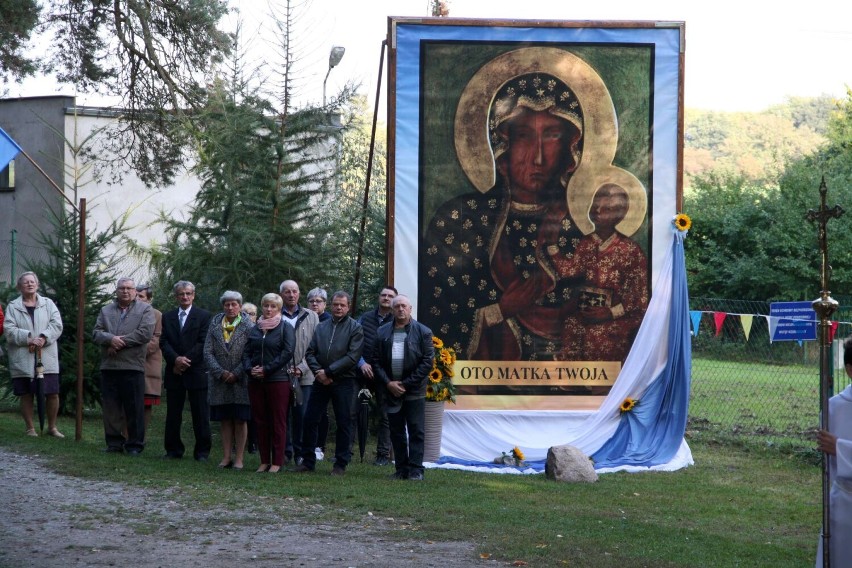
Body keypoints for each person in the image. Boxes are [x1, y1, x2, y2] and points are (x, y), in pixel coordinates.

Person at [421, 72, 586, 361]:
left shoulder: (580, 225)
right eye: (524, 136)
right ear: (500, 145)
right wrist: (498, 310)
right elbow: (438, 311)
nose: (537, 157)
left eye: (552, 136)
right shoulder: (460, 220)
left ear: (571, 148)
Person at [552, 183, 649, 362]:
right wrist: (552, 248)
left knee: (599, 335)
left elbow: (639, 298)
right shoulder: (586, 243)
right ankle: (573, 384)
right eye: (595, 204)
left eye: (607, 208)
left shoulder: (630, 251)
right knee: (572, 325)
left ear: (619, 215)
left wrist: (610, 313)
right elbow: (570, 270)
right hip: (586, 312)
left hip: (617, 317)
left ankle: (602, 388)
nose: (598, 210)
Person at [294, 291, 363, 476]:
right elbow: (310, 352)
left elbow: (353, 356)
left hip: (343, 381)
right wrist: (319, 372)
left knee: (343, 422)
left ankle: (340, 464)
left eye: (342, 305)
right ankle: (308, 461)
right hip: (320, 380)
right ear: (331, 306)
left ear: (348, 307)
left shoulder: (355, 328)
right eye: (336, 304)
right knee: (310, 419)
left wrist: (330, 371)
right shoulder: (322, 326)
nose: (338, 308)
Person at [372, 294, 434, 481]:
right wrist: (389, 384)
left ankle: (416, 470)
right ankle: (401, 470)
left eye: (403, 306)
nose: (400, 309)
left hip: (414, 390)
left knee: (416, 430)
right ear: (392, 309)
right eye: (397, 306)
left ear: (410, 309)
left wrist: (406, 384)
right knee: (396, 431)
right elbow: (375, 361)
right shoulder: (382, 332)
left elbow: (427, 362)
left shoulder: (423, 332)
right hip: (390, 390)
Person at [92, 277, 155, 454]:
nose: (125, 291)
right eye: (122, 288)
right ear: (116, 291)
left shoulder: (145, 309)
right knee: (111, 407)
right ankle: (114, 443)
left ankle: (135, 445)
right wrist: (110, 339)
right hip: (109, 366)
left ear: (135, 291)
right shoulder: (105, 310)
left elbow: (145, 333)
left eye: (129, 288)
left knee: (134, 408)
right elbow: (96, 333)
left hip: (133, 366)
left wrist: (119, 342)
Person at [4, 272, 64, 437]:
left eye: (32, 282)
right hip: (23, 355)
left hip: (46, 354)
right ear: (19, 287)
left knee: (52, 392)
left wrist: (43, 338)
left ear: (37, 284)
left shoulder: (48, 304)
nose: (30, 284)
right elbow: (9, 329)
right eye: (26, 282)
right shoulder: (13, 306)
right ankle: (30, 428)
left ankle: (52, 427)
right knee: (26, 392)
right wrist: (29, 339)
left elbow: (57, 325)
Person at [242, 292, 296, 473]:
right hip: (255, 381)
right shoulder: (255, 329)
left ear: (279, 309)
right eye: (266, 306)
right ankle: (264, 460)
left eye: (273, 306)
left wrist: (267, 369)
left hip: (278, 380)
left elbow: (287, 352)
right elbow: (247, 352)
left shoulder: (285, 327)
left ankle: (277, 461)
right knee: (260, 421)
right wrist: (250, 369)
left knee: (278, 422)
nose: (269, 309)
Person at [161, 280, 212, 461]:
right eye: (181, 294)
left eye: (188, 293)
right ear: (176, 296)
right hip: (174, 371)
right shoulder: (167, 317)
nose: (185, 297)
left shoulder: (204, 316)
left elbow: (203, 342)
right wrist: (175, 359)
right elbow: (164, 342)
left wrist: (185, 360)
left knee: (200, 413)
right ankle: (173, 450)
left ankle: (202, 452)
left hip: (196, 370)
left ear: (193, 295)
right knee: (173, 413)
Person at [204, 291, 253, 470]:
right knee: (225, 419)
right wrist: (220, 372)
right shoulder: (215, 324)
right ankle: (226, 457)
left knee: (240, 419)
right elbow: (207, 351)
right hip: (220, 380)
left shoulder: (249, 326)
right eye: (227, 304)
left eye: (234, 304)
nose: (230, 308)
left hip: (241, 380)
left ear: (240, 306)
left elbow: (251, 353)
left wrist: (237, 373)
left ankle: (239, 458)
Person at [815, 337, 852, 567]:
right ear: (850, 370)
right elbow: (830, 469)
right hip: (844, 503)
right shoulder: (833, 408)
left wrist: (839, 446)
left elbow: (833, 447)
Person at [280, 280, 319, 466]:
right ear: (281, 295)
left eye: (294, 291)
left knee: (302, 416)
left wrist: (301, 368)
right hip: (279, 375)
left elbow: (315, 346)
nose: (291, 295)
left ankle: (300, 453)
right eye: (287, 292)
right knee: (282, 415)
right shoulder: (274, 315)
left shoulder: (311, 316)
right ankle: (284, 451)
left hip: (305, 375)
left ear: (299, 294)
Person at [357, 285, 397, 466]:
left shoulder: (398, 320)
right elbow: (353, 343)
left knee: (385, 415)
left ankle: (382, 455)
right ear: (378, 297)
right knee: (350, 412)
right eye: (383, 295)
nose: (386, 298)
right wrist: (362, 363)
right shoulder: (364, 319)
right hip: (362, 371)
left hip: (385, 375)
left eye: (390, 296)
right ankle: (347, 452)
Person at [135, 283, 163, 436]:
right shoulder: (128, 312)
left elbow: (156, 339)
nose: (138, 299)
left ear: (149, 299)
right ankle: (125, 435)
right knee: (128, 402)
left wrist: (134, 351)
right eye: (136, 296)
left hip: (148, 364)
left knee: (146, 404)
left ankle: (141, 436)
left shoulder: (157, 315)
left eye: (141, 297)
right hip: (128, 363)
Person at [306, 286, 331, 457]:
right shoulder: (305, 318)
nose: (315, 304)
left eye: (319, 301)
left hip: (325, 371)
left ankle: (319, 446)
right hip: (307, 366)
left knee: (322, 411)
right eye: (312, 301)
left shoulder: (328, 320)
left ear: (325, 304)